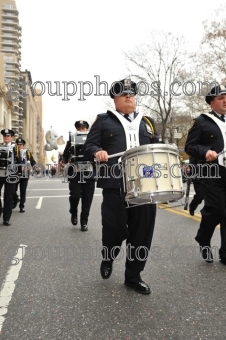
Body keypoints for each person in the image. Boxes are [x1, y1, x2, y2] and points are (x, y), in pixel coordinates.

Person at [83, 79, 159, 295]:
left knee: (142, 233)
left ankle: (133, 276)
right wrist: (97, 152)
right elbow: (89, 146)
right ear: (115, 99)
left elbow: (157, 147)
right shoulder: (103, 121)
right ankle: (109, 255)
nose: (128, 96)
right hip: (115, 185)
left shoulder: (148, 122)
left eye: (131, 93)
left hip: (144, 186)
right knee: (113, 228)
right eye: (123, 93)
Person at [185, 84, 226, 264]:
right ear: (212, 102)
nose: (225, 100)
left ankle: (225, 253)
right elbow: (189, 147)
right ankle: (203, 239)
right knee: (216, 209)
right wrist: (205, 151)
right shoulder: (202, 121)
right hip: (213, 172)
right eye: (221, 98)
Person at [62, 120, 96, 231]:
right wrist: (64, 161)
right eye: (79, 128)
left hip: (89, 172)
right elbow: (65, 154)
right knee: (75, 196)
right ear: (77, 129)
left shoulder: (93, 140)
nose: (81, 130)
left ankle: (84, 221)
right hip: (75, 172)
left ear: (87, 129)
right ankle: (73, 211)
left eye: (83, 128)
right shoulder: (71, 140)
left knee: (87, 199)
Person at [0, 129, 21, 225]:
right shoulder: (0, 146)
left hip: (11, 175)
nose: (6, 138)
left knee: (8, 196)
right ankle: (0, 208)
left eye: (8, 136)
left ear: (11, 137)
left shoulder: (15, 148)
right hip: (0, 173)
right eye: (5, 136)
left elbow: (20, 161)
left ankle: (6, 218)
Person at [12, 138, 36, 212]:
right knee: (12, 190)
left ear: (23, 145)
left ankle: (21, 206)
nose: (19, 146)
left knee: (23, 191)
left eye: (21, 145)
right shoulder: (14, 151)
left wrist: (35, 166)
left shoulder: (27, 152)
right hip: (15, 174)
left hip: (25, 174)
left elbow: (32, 161)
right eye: (18, 144)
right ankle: (16, 199)